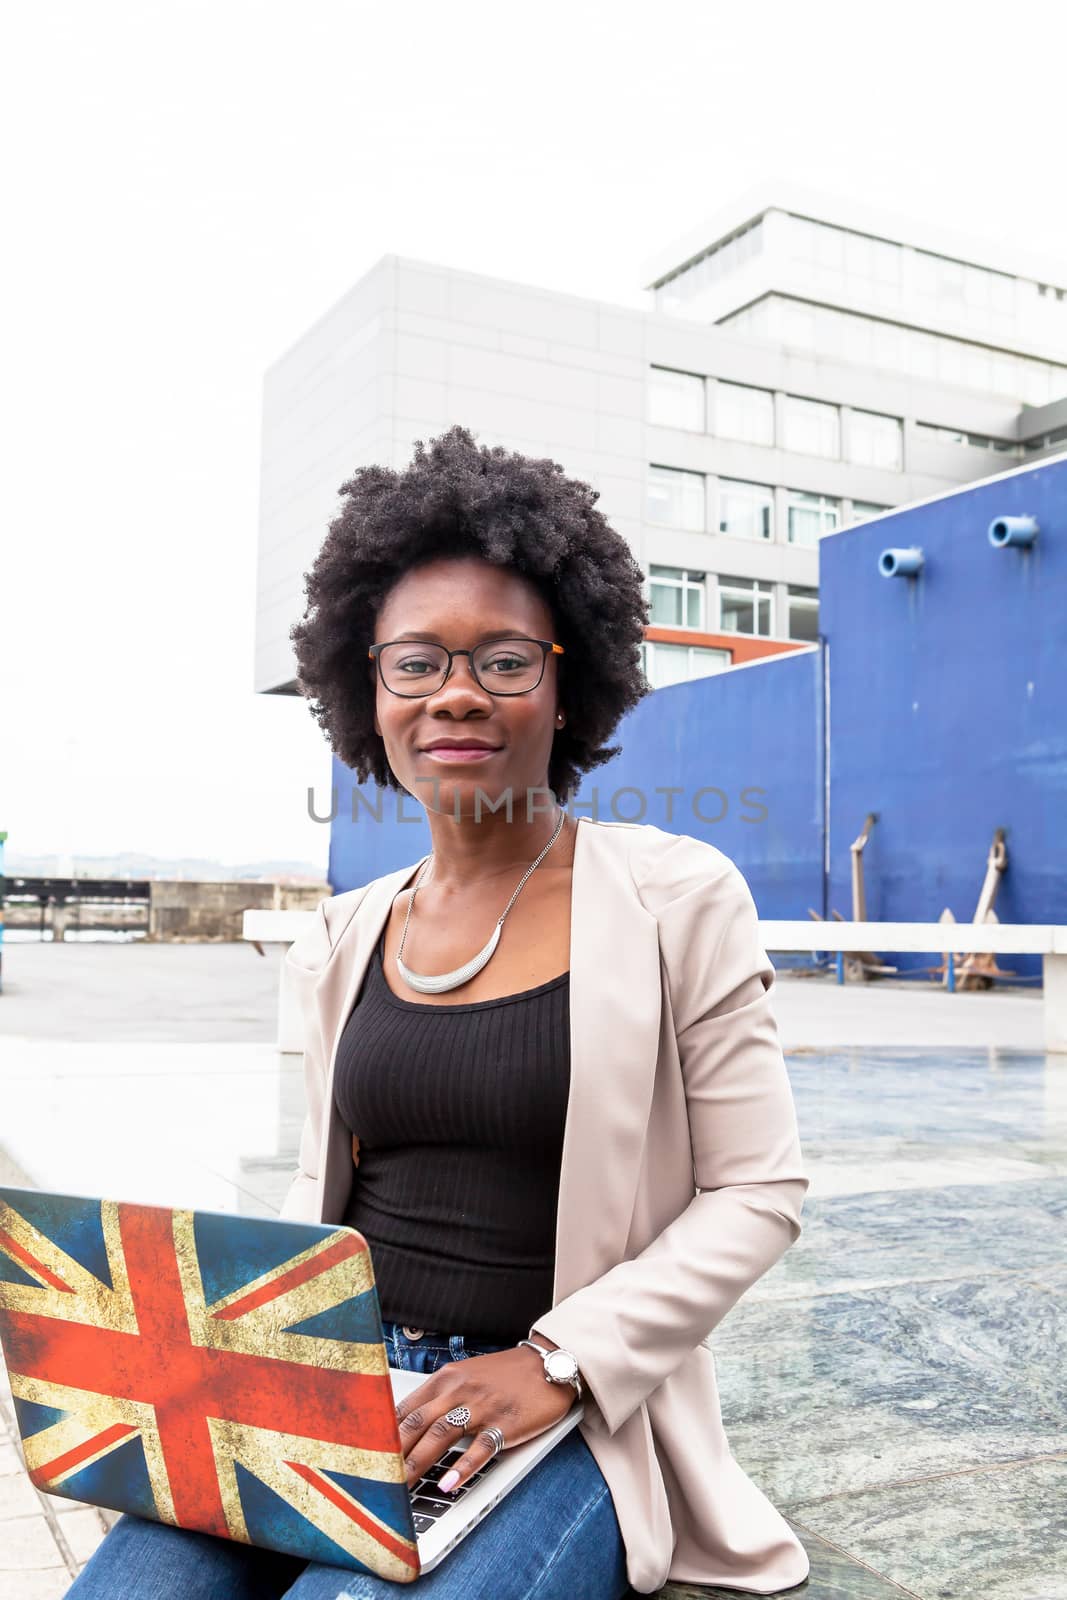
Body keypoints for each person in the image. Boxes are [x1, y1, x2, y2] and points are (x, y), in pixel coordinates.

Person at [67, 425, 809, 1598]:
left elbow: (756, 1192)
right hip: (324, 1376)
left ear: (567, 684)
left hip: (549, 1410)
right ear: (369, 690)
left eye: (504, 660)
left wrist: (554, 1363)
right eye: (415, 662)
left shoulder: (675, 896)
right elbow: (342, 1188)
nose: (455, 693)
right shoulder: (343, 932)